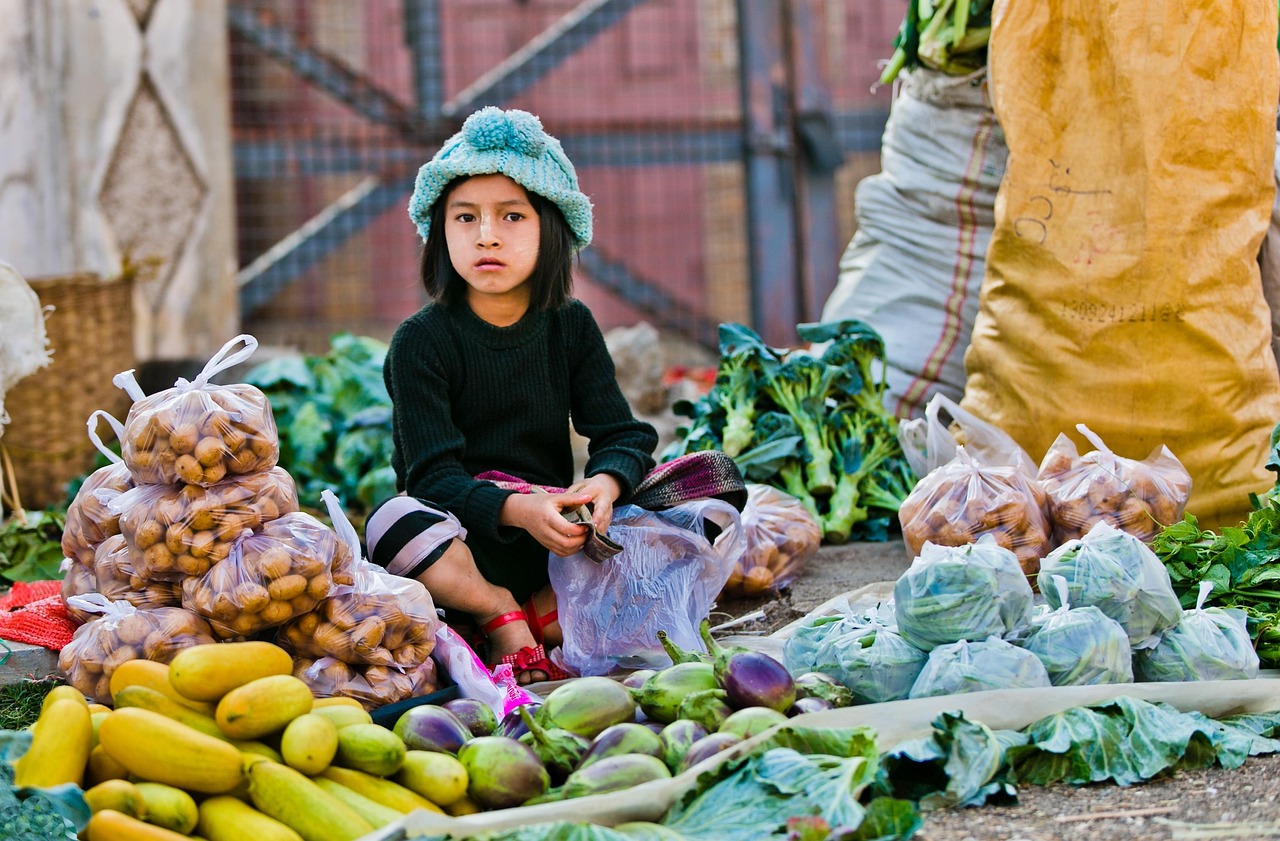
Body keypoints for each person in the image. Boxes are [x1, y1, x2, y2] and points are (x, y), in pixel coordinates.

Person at [365, 106, 659, 684]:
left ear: (552, 228)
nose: (487, 235)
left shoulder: (570, 325)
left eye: (512, 216)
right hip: (459, 547)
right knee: (391, 520)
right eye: (465, 217)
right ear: (440, 232)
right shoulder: (421, 341)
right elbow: (430, 479)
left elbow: (624, 436)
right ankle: (496, 611)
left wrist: (603, 486)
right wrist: (517, 510)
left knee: (697, 495)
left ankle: (546, 610)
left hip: (558, 543)